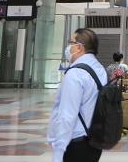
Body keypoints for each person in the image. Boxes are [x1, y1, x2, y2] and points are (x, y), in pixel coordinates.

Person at [48, 27, 106, 162]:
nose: (69, 47)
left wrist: (58, 152)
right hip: (95, 141)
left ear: (79, 47)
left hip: (76, 143)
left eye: (71, 42)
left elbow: (67, 115)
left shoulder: (75, 74)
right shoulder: (100, 69)